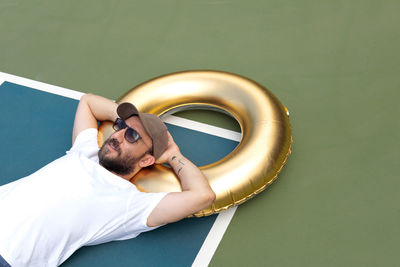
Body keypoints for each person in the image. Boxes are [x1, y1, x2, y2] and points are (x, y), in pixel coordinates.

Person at [0, 94, 216, 267]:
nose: (117, 136)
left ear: (147, 159)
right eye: (120, 127)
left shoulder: (130, 204)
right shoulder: (85, 152)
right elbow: (88, 102)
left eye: (132, 136)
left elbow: (202, 196)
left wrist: (172, 154)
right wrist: (132, 120)